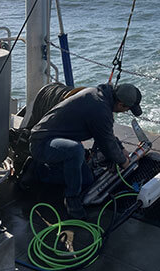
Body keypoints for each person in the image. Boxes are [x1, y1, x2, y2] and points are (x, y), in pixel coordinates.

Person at [25, 83, 142, 219]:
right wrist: (123, 162)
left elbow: (105, 134)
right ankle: (71, 200)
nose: (126, 112)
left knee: (86, 180)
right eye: (127, 109)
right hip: (42, 143)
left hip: (59, 141)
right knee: (75, 150)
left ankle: (40, 172)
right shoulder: (100, 109)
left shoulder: (99, 96)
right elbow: (106, 143)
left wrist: (121, 148)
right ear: (121, 104)